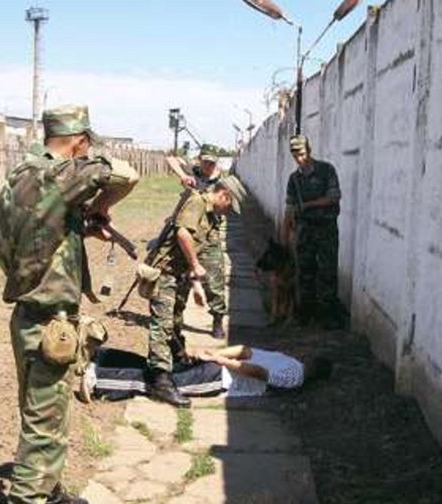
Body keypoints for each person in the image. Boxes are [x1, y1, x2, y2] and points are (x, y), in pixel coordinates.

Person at [0, 104, 139, 504]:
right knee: (44, 432)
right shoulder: (62, 175)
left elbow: (33, 231)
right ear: (78, 141)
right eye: (86, 144)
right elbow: (126, 174)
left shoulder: (20, 177)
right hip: (49, 324)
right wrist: (97, 205)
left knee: (38, 415)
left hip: (27, 316)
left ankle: (50, 493)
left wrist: (76, 221)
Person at [145, 174, 245, 408]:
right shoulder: (197, 202)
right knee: (162, 324)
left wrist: (196, 282)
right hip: (165, 272)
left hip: (179, 274)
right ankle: (160, 380)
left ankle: (175, 363)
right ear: (224, 195)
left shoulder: (210, 216)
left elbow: (197, 248)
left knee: (175, 321)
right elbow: (183, 234)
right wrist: (196, 265)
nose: (227, 213)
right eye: (229, 206)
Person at [80, 343, 332, 401]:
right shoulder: (296, 375)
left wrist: (215, 354)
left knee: (159, 370)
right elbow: (254, 367)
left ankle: (104, 360)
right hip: (219, 375)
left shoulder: (289, 365)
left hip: (220, 371)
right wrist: (216, 357)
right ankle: (99, 377)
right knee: (161, 382)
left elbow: (248, 356)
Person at [165, 145, 228, 338]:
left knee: (214, 281)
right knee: (182, 278)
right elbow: (170, 158)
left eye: (212, 163)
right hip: (191, 231)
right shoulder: (194, 172)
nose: (208, 166)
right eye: (205, 161)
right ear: (199, 160)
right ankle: (176, 321)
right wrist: (183, 176)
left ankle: (217, 319)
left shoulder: (220, 181)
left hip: (210, 235)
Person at [284, 134, 345, 328]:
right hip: (305, 230)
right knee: (305, 271)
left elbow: (334, 197)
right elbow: (289, 207)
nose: (299, 158)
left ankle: (327, 316)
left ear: (309, 150)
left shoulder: (326, 170)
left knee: (328, 271)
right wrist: (286, 233)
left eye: (302, 153)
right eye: (295, 155)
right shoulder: (294, 179)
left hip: (326, 228)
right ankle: (306, 314)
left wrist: (308, 205)